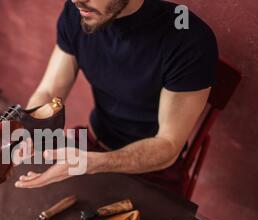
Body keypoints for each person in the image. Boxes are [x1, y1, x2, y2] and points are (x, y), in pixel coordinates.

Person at [15, 0, 218, 194]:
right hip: (91, 144)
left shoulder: (189, 39)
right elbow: (50, 91)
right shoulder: (78, 11)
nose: (77, 0)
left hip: (152, 169)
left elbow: (168, 145)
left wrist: (95, 163)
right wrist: (32, 128)